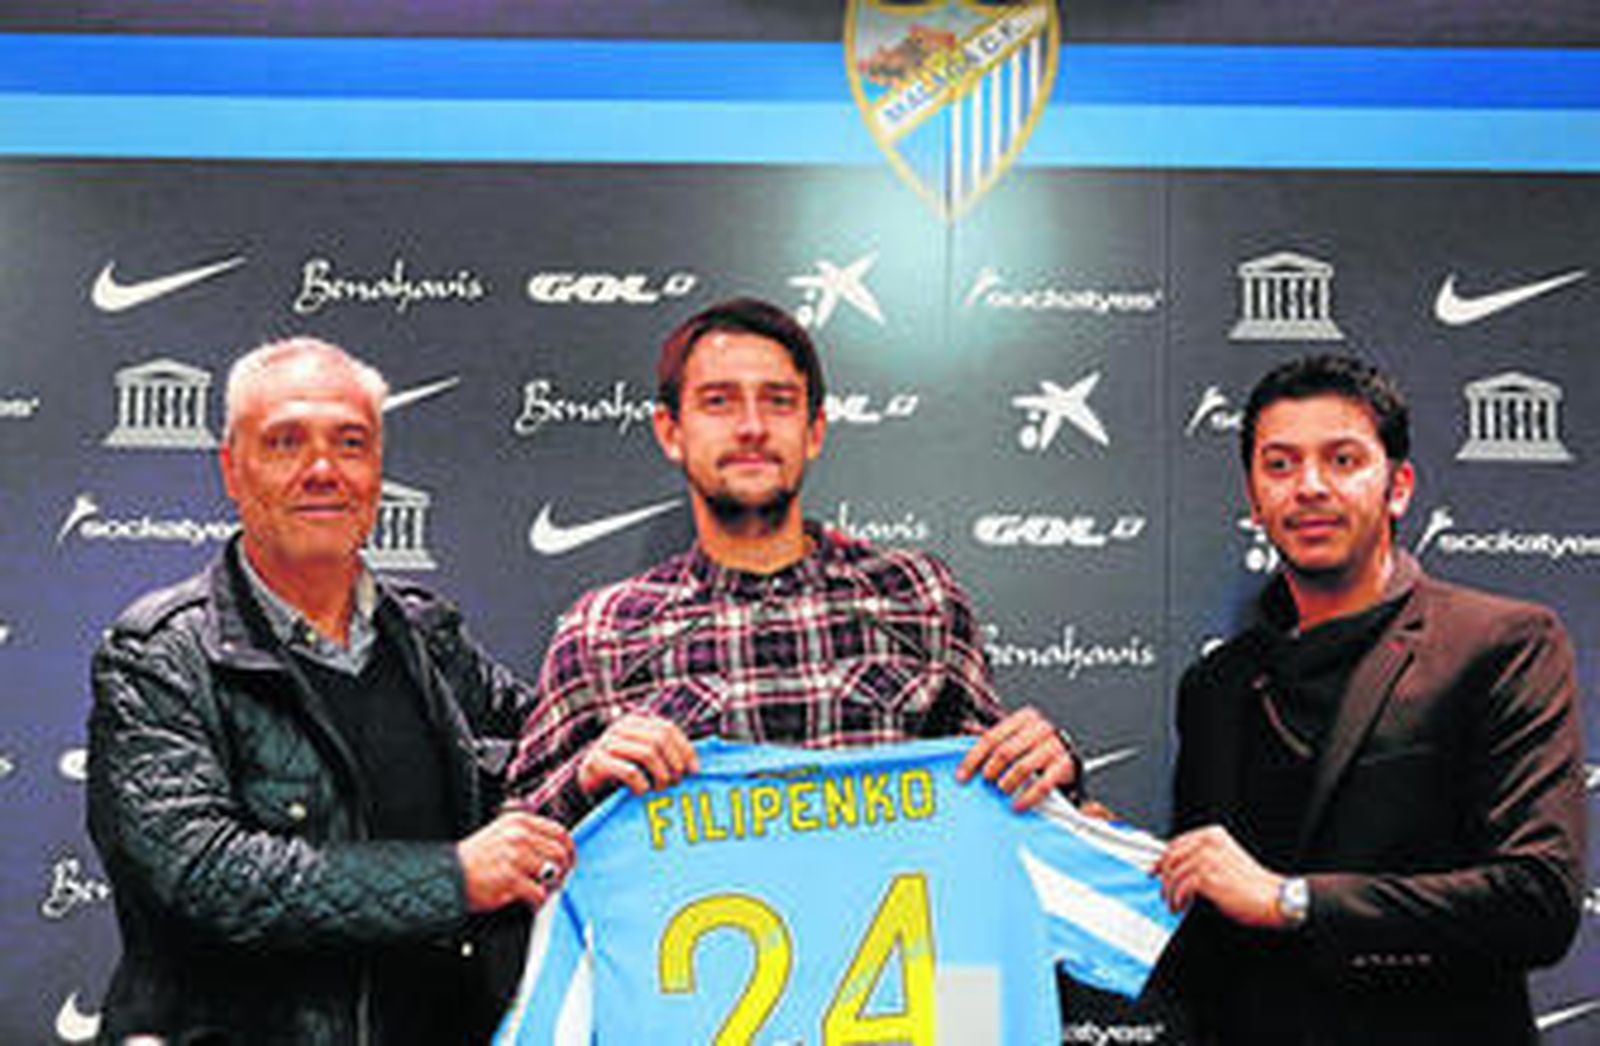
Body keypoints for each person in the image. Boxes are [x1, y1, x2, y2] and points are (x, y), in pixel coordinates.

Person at [87, 337, 575, 1045]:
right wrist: (454, 877)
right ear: (231, 468)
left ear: (377, 468)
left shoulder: (429, 637)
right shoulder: (158, 655)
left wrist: (590, 758)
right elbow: (206, 873)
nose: (324, 470)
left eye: (351, 443)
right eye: (285, 442)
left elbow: (536, 753)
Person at [509, 296, 1081, 824]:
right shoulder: (601, 630)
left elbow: (1001, 804)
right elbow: (516, 836)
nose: (752, 427)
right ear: (671, 431)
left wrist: (1051, 766)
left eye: (778, 402)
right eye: (718, 402)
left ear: (814, 430)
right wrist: (584, 778)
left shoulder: (920, 597)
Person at [1153, 354, 1584, 1044]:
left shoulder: (1502, 644)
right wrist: (1082, 831)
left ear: (1399, 486)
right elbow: (1204, 898)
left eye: (1343, 459)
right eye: (1281, 465)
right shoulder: (1215, 686)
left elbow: (1536, 900)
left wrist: (1293, 901)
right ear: (1254, 496)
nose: (1310, 487)